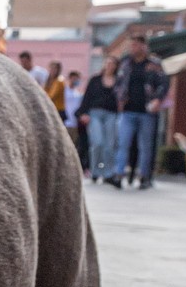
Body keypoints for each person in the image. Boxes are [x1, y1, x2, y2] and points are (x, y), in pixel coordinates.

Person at [104, 35, 169, 190]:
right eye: (131, 45)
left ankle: (145, 177)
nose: (132, 48)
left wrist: (158, 100)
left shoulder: (154, 64)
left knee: (145, 146)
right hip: (128, 111)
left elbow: (164, 83)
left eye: (135, 45)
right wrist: (120, 99)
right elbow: (118, 83)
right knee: (123, 143)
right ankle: (119, 175)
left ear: (143, 46)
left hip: (147, 111)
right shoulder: (126, 63)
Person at [79, 56, 120, 182]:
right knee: (97, 142)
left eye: (112, 64)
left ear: (116, 66)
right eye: (108, 63)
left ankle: (108, 172)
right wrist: (83, 112)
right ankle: (95, 171)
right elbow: (87, 97)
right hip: (95, 113)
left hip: (111, 114)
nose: (109, 66)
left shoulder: (119, 81)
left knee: (109, 144)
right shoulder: (95, 80)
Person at [64, 69, 89, 170]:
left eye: (77, 79)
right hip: (65, 123)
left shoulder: (78, 94)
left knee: (73, 147)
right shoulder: (64, 91)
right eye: (74, 78)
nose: (75, 81)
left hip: (74, 124)